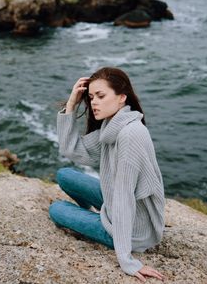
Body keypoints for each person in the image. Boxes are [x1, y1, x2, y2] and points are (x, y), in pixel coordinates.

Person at [49, 67, 166, 282]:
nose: (94, 102)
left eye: (101, 96)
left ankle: (96, 222)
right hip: (117, 208)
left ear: (122, 97)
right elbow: (72, 150)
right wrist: (71, 105)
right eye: (91, 97)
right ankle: (94, 218)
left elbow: (124, 200)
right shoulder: (111, 126)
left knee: (56, 209)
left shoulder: (130, 134)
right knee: (64, 174)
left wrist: (127, 260)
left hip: (134, 231)